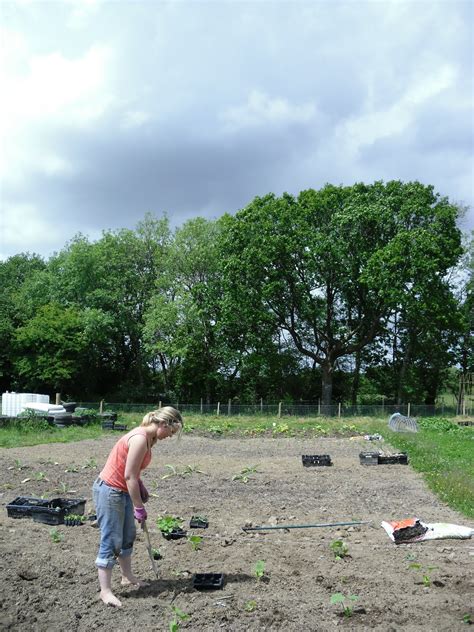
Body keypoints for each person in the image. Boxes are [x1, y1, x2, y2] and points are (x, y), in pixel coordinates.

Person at [92, 406, 183, 607]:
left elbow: (132, 469)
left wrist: (139, 485)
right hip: (110, 491)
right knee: (111, 538)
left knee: (128, 535)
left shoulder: (151, 439)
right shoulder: (140, 438)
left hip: (122, 489)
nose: (170, 436)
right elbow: (128, 476)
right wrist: (138, 507)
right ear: (163, 423)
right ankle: (105, 591)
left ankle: (127, 577)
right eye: (171, 431)